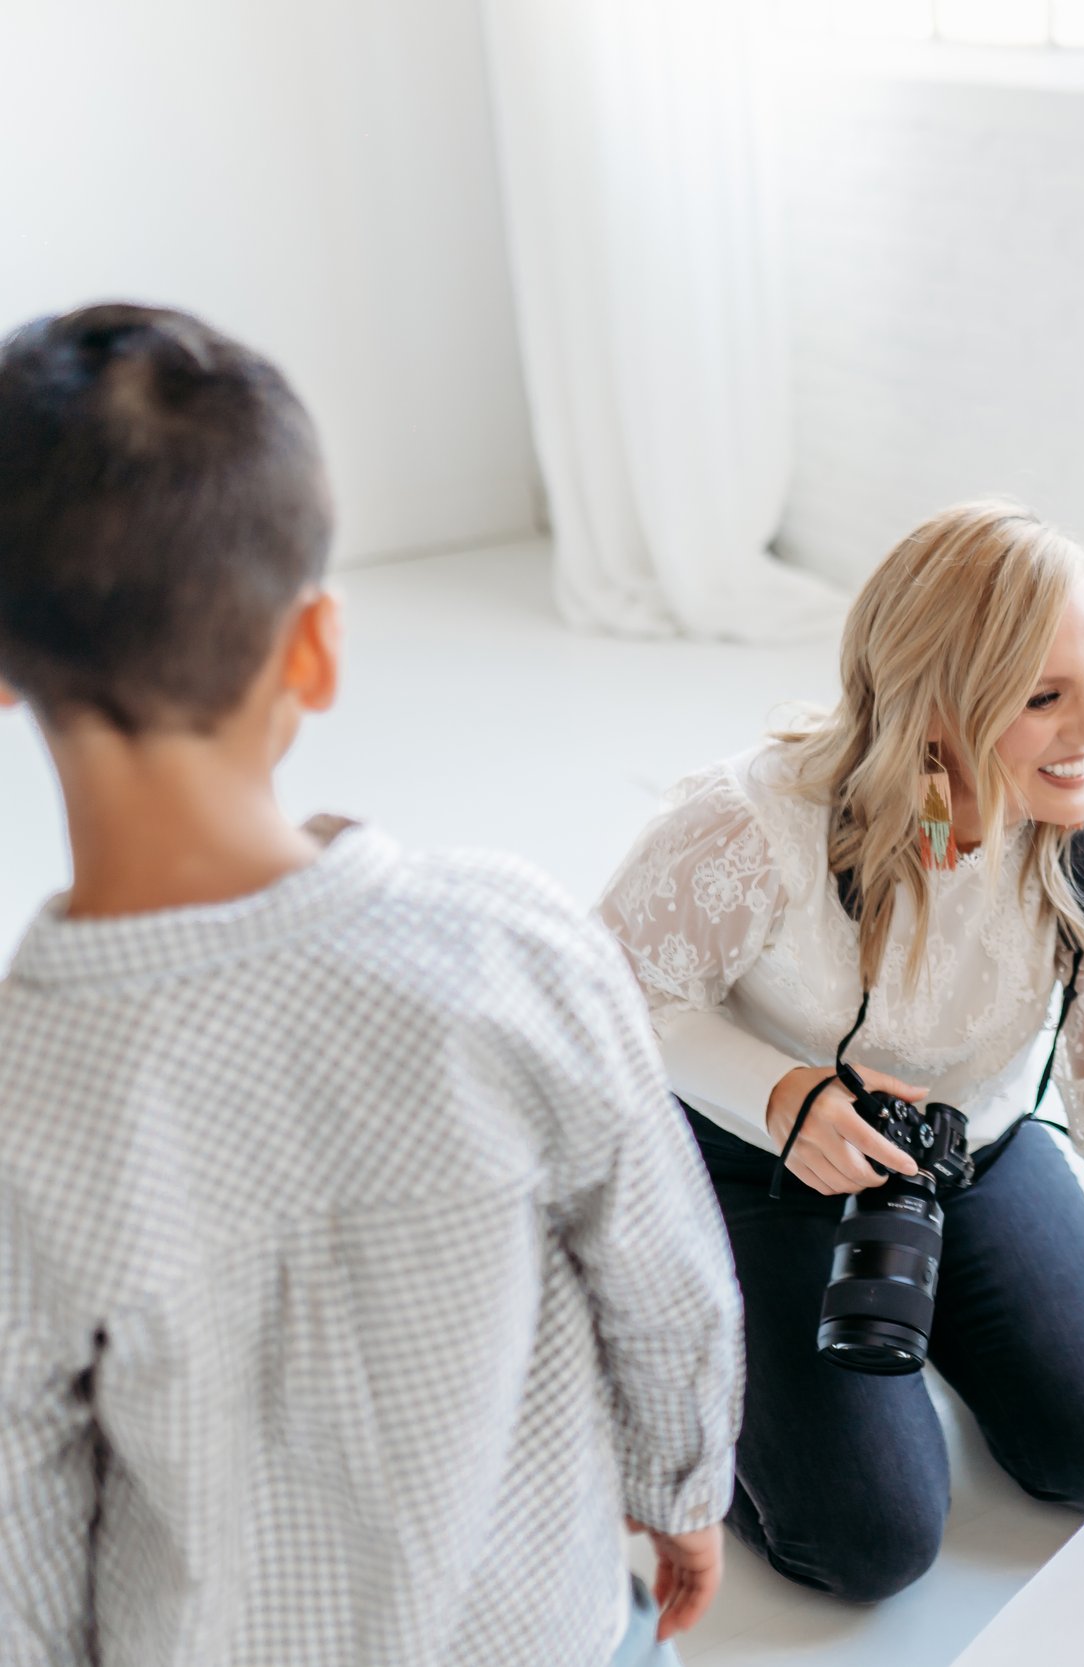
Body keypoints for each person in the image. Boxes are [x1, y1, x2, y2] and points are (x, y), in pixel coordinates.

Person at [0, 304, 742, 1665]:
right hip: (555, 1631)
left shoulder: (20, 1101)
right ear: (315, 646)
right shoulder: (518, 945)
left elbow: (21, 1533)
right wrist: (682, 1488)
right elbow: (665, 1279)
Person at [597, 501, 1084, 1601]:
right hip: (752, 1163)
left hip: (968, 1151)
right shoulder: (753, 819)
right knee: (868, 1541)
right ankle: (660, 1339)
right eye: (1042, 697)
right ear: (934, 707)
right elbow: (608, 993)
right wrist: (782, 1096)